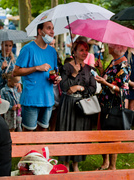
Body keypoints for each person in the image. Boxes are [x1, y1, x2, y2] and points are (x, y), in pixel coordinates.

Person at [55, 40, 96, 171]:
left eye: (86, 50)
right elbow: (64, 86)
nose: (84, 53)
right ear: (74, 52)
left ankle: (76, 164)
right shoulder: (66, 67)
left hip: (82, 106)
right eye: (81, 50)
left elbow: (92, 88)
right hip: (68, 105)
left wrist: (79, 88)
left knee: (80, 134)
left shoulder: (89, 69)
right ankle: (65, 164)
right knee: (67, 133)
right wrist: (73, 74)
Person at [13, 21, 61, 131]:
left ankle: (39, 149)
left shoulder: (52, 51)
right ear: (40, 31)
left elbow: (52, 72)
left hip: (48, 98)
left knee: (43, 132)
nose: (52, 32)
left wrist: (56, 79)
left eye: (53, 28)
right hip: (31, 98)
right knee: (28, 134)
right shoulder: (28, 49)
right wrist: (36, 68)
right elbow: (16, 72)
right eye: (49, 28)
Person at [95, 43, 130, 170]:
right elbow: (109, 79)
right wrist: (101, 71)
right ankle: (105, 163)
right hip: (104, 103)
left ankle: (112, 166)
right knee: (102, 135)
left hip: (114, 106)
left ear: (119, 47)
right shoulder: (114, 62)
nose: (109, 45)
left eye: (112, 44)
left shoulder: (123, 65)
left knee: (113, 137)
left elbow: (124, 91)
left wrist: (105, 83)